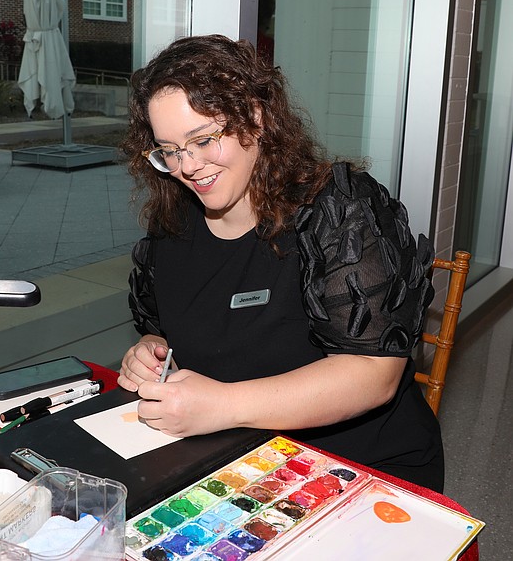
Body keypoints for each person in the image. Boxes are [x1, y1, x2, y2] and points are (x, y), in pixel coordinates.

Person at [118, 34, 444, 492]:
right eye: (168, 150)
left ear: (255, 119)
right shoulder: (173, 224)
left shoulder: (338, 212)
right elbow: (162, 329)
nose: (187, 166)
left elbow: (372, 375)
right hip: (240, 459)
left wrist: (223, 404)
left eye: (203, 140)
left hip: (359, 468)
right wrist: (148, 354)